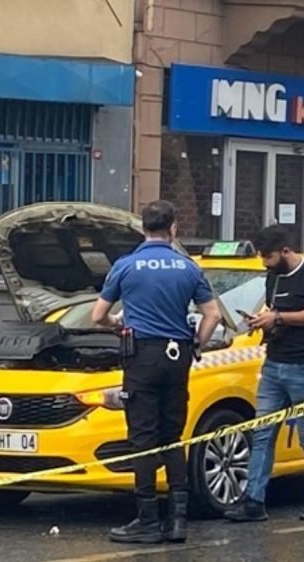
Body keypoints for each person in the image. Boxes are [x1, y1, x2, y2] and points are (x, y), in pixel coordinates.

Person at [91, 199, 221, 544]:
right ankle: (178, 521)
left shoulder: (127, 265)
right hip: (177, 356)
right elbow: (213, 315)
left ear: (142, 228)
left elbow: (97, 315)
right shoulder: (187, 266)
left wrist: (117, 324)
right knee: (172, 436)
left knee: (144, 439)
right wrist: (198, 344)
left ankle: (147, 519)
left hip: (142, 357)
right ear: (174, 228)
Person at [226, 226, 304, 523]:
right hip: (274, 365)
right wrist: (263, 322)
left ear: (286, 251)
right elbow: (275, 312)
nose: (265, 263)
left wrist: (279, 317)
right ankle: (254, 500)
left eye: (269, 257)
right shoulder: (273, 276)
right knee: (262, 433)